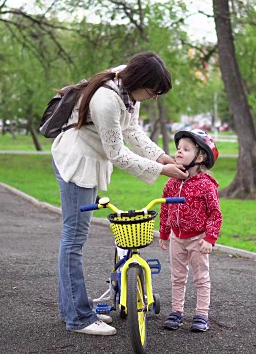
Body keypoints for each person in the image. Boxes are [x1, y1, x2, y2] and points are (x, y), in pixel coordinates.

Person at [51, 52, 188, 336]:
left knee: (73, 238)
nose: (153, 98)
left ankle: (74, 309)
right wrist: (162, 171)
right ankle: (78, 318)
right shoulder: (107, 99)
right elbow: (117, 153)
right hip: (77, 162)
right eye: (152, 92)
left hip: (87, 160)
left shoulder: (127, 90)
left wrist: (162, 157)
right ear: (140, 80)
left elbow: (132, 130)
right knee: (73, 239)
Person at [158, 129, 223, 332]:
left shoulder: (206, 185)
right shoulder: (171, 182)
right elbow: (165, 207)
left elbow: (215, 214)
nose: (178, 152)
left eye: (185, 149)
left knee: (201, 278)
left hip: (198, 238)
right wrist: (164, 232)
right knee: (177, 277)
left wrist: (210, 238)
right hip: (177, 238)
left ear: (200, 156)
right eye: (178, 148)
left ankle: (202, 315)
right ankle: (177, 312)